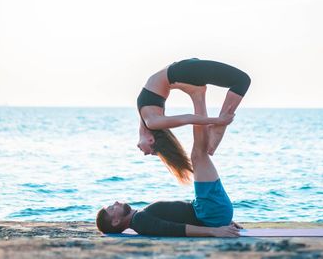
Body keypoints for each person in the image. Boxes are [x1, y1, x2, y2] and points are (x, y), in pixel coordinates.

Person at [96, 87, 242, 237]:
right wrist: (214, 230)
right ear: (115, 222)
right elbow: (173, 229)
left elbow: (179, 220)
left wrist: (220, 222)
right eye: (112, 208)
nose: (116, 203)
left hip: (209, 213)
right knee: (199, 155)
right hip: (209, 212)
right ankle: (200, 98)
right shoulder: (139, 222)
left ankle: (203, 104)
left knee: (200, 155)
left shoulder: (140, 218)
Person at [136, 58, 251, 183]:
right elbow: (187, 118)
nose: (146, 154)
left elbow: (187, 118)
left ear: (151, 139)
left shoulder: (149, 121)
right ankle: (218, 129)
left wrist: (218, 121)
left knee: (242, 80)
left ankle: (218, 129)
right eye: (153, 152)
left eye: (153, 152)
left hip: (183, 71)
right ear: (151, 139)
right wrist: (218, 120)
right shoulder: (152, 122)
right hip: (183, 72)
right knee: (242, 80)